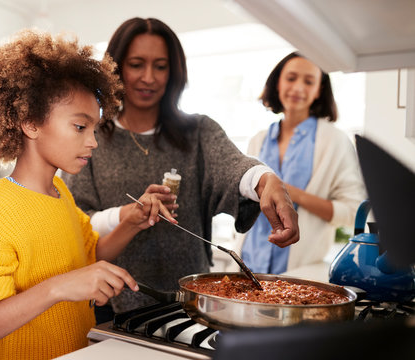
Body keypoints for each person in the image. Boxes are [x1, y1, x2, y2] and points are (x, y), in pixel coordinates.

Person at [0, 29, 177, 360]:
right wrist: (58, 287)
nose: (92, 141)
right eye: (80, 127)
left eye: (94, 129)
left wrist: (132, 222)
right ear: (31, 123)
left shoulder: (58, 192)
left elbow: (89, 255)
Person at [62, 17, 299, 321]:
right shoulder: (91, 135)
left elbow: (233, 166)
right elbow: (76, 222)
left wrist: (266, 180)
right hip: (109, 305)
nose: (149, 77)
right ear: (117, 68)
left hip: (190, 306)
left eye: (160, 66)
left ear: (174, 72)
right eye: (137, 64)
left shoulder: (197, 131)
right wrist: (125, 214)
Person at [238, 52, 366, 274]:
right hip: (247, 267)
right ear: (277, 83)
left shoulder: (335, 141)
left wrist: (289, 192)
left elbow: (353, 212)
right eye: (291, 78)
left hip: (299, 273)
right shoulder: (258, 140)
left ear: (319, 91)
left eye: (308, 81)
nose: (298, 88)